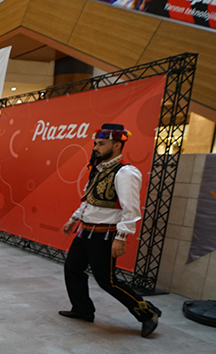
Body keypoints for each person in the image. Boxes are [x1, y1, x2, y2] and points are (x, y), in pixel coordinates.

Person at [59, 123, 162, 337]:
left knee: (108, 281)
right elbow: (89, 200)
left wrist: (121, 237)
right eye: (95, 143)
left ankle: (147, 312)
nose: (95, 147)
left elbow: (131, 208)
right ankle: (83, 309)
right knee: (72, 268)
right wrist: (74, 219)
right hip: (85, 231)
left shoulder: (125, 173)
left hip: (105, 234)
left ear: (116, 145)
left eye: (101, 143)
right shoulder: (98, 169)